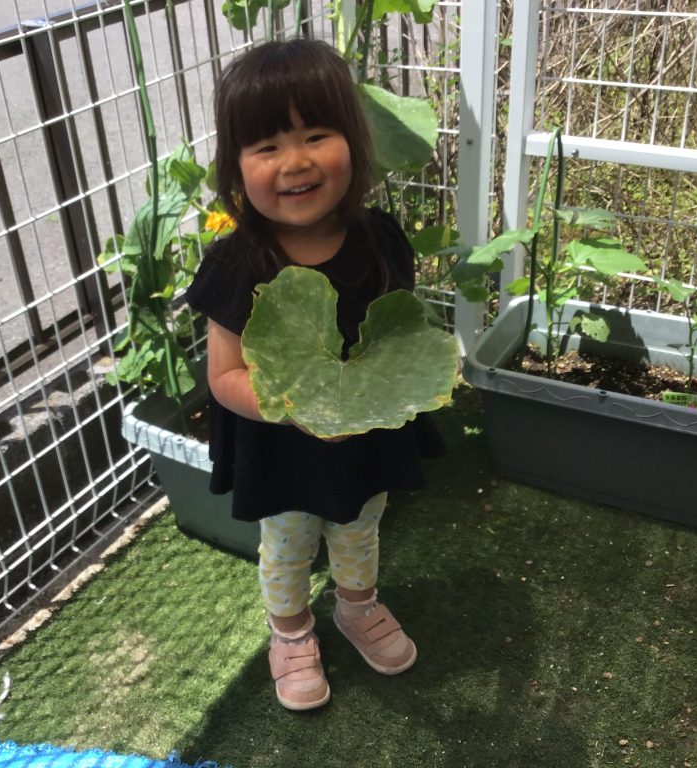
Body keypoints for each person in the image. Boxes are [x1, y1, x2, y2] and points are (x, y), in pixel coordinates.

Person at [185, 38, 445, 711]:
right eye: (266, 146)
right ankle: (291, 631)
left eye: (315, 135)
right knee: (287, 544)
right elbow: (224, 376)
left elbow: (397, 336)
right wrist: (302, 411)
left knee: (362, 527)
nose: (294, 161)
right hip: (281, 442)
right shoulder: (237, 264)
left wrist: (370, 401)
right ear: (236, 168)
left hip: (365, 435)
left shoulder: (379, 237)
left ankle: (358, 607)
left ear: (355, 146)